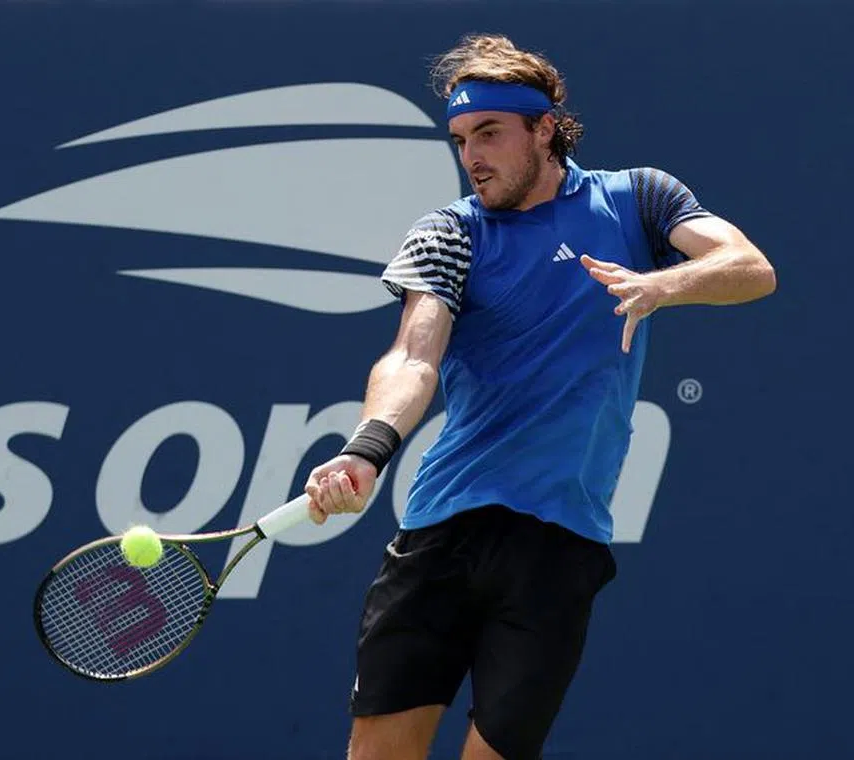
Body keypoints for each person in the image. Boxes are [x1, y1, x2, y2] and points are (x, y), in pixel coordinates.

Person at [301, 33, 776, 760]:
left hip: (560, 542)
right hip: (444, 530)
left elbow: (749, 266)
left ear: (545, 128)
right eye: (461, 139)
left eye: (489, 132)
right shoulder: (448, 232)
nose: (472, 156)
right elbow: (412, 357)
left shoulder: (638, 198)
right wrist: (368, 450)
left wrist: (659, 285)